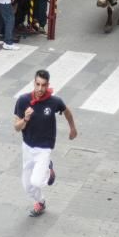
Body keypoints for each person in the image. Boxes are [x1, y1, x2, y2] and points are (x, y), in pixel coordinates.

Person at [13, 69, 78, 217]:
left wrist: (72, 128)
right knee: (27, 186)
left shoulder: (54, 101)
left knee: (36, 181)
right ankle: (41, 202)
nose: (40, 89)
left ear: (48, 84)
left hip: (44, 148)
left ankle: (49, 171)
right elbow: (16, 127)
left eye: (43, 85)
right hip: (28, 147)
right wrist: (25, 119)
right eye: (37, 84)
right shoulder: (23, 100)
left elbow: (67, 112)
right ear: (33, 83)